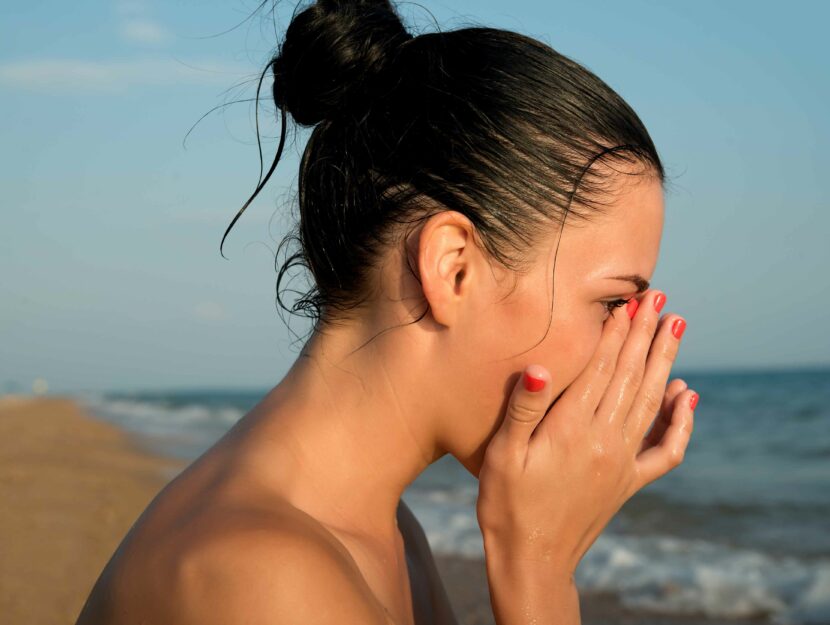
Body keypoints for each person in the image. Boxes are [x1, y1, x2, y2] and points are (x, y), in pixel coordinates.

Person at [75, 1, 697, 624]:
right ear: (452, 269)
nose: (628, 347)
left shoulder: (383, 531)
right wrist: (537, 570)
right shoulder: (262, 579)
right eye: (613, 303)